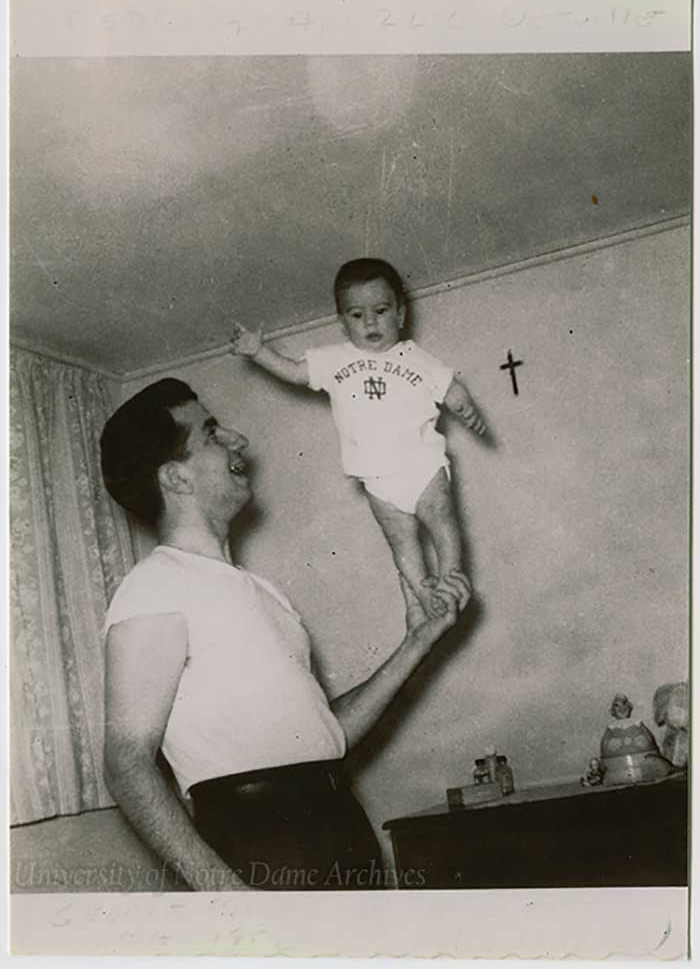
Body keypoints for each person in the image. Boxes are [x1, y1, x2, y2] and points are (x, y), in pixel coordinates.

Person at [100, 377, 470, 891]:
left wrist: (418, 641)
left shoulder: (261, 591)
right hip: (259, 845)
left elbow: (327, 737)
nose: (238, 440)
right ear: (176, 477)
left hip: (340, 827)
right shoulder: (154, 588)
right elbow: (126, 762)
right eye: (212, 433)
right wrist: (227, 895)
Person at [231, 257, 486, 618]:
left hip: (421, 464)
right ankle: (423, 591)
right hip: (376, 478)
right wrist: (258, 352)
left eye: (381, 311)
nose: (370, 322)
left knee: (441, 515)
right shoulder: (335, 359)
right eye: (356, 314)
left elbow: (451, 388)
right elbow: (295, 372)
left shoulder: (415, 358)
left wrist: (466, 408)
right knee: (400, 539)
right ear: (342, 322)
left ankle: (450, 574)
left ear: (400, 314)